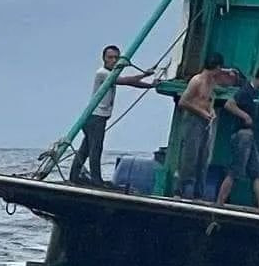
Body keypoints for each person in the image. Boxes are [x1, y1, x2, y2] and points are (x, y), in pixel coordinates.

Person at [69, 45, 156, 186]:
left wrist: (150, 85)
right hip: (95, 117)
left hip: (98, 117)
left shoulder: (111, 74)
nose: (113, 60)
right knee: (95, 148)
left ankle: (74, 176)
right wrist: (145, 74)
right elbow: (125, 81)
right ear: (103, 58)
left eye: (116, 58)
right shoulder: (102, 73)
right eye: (110, 57)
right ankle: (96, 181)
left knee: (85, 148)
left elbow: (131, 83)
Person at [216, 63, 259, 211]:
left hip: (249, 136)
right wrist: (245, 116)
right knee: (235, 170)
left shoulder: (254, 91)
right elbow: (229, 105)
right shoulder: (246, 91)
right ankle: (219, 202)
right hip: (242, 135)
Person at [175, 53, 237, 200]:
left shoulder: (212, 81)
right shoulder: (197, 81)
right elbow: (183, 102)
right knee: (190, 155)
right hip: (193, 119)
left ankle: (198, 193)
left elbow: (210, 99)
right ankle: (180, 190)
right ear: (215, 68)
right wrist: (201, 112)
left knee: (203, 158)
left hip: (206, 120)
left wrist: (211, 111)